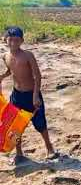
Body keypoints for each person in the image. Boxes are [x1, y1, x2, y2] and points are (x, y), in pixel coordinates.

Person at [0, 26, 57, 165]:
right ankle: (19, 153)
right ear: (5, 40)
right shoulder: (5, 56)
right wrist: (2, 76)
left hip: (31, 94)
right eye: (10, 40)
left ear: (22, 41)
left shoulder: (27, 55)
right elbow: (10, 70)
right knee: (15, 126)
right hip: (16, 95)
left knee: (40, 123)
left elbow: (38, 76)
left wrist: (36, 95)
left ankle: (49, 148)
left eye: (17, 40)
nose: (13, 43)